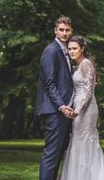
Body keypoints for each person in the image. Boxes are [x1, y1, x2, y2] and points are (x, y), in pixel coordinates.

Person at [59, 36, 104, 180]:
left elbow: (88, 92)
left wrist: (78, 110)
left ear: (82, 49)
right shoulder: (77, 65)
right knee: (77, 141)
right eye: (69, 49)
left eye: (74, 48)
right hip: (77, 108)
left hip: (86, 109)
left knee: (85, 142)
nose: (71, 51)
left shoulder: (86, 64)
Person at [36, 16, 77, 180]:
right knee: (51, 156)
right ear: (55, 31)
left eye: (67, 30)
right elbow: (49, 84)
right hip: (55, 111)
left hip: (64, 110)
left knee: (59, 154)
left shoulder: (66, 51)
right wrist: (61, 106)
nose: (64, 33)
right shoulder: (51, 50)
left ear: (71, 31)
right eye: (61, 30)